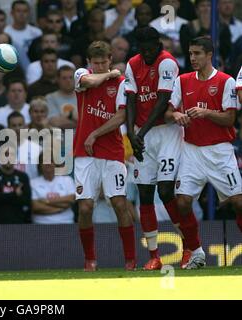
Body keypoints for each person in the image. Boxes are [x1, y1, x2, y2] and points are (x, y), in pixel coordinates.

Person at [166, 36, 242, 268]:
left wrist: (206, 113)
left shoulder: (225, 81)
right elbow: (168, 111)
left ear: (209, 55)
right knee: (183, 202)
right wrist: (176, 115)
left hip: (219, 151)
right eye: (190, 54)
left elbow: (230, 118)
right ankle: (196, 252)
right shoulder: (182, 81)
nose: (193, 58)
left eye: (198, 54)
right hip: (192, 151)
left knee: (238, 202)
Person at [125, 26, 192, 270]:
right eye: (143, 48)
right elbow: (131, 99)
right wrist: (132, 134)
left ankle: (189, 246)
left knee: (165, 191)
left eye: (152, 46)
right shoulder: (133, 64)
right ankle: (154, 256)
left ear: (158, 43)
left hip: (167, 132)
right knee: (144, 193)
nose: (148, 51)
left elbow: (163, 100)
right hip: (144, 135)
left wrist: (139, 134)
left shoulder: (167, 63)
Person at [74, 41, 136, 271]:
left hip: (111, 151)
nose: (100, 66)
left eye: (104, 62)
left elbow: (121, 117)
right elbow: (90, 81)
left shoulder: (121, 84)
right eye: (96, 63)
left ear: (110, 58)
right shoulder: (81, 75)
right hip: (84, 153)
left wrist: (95, 134)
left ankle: (130, 260)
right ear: (89, 62)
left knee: (119, 203)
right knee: (85, 208)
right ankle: (90, 260)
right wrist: (110, 73)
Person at [30, 152, 75, 224]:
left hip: (66, 222)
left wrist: (46, 201)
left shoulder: (67, 180)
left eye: (51, 160)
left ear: (55, 163)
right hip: (40, 224)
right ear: (40, 165)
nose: (48, 163)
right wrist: (60, 208)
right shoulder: (33, 183)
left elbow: (71, 199)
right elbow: (35, 206)